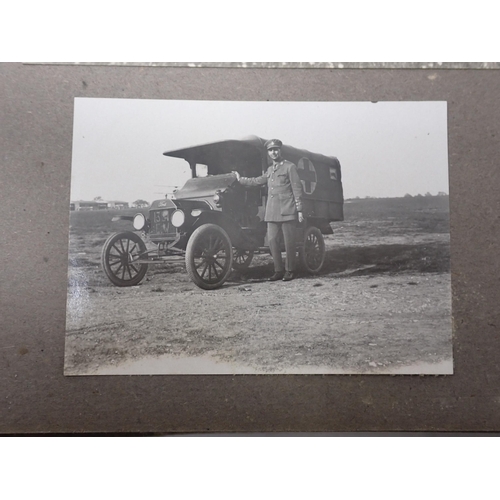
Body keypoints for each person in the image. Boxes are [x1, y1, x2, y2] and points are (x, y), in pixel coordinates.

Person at [233, 139, 304, 282]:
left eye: (276, 149)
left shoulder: (290, 167)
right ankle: (278, 270)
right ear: (268, 153)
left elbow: (297, 189)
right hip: (272, 212)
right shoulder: (270, 170)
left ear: (280, 151)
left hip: (287, 210)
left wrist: (299, 210)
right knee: (272, 241)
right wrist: (240, 179)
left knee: (289, 242)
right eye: (271, 150)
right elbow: (257, 181)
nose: (274, 152)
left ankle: (290, 271)